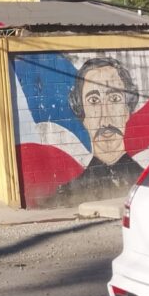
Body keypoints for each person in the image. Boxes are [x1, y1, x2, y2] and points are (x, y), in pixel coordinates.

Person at [47, 57, 143, 205]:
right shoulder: (67, 194)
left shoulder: (148, 185)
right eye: (93, 101)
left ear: (127, 110)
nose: (105, 118)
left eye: (114, 98)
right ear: (82, 115)